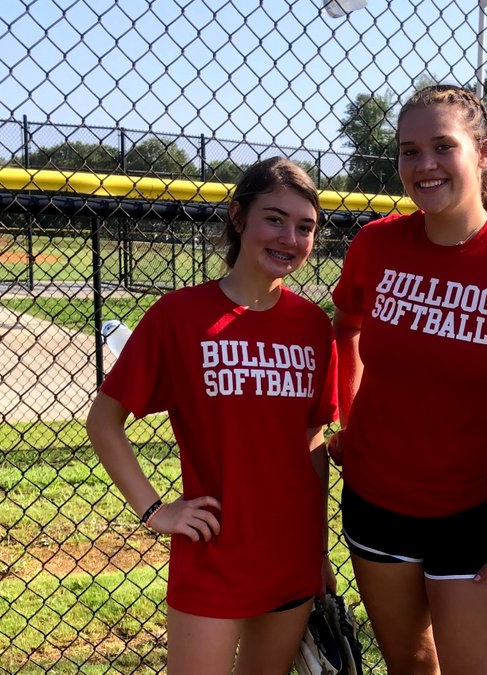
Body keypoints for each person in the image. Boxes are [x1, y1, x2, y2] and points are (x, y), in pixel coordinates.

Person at [330, 83, 487, 674]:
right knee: (410, 666)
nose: (424, 164)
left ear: (484, 153)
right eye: (409, 151)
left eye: (443, 146)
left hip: (478, 510)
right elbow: (347, 327)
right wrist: (348, 418)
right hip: (377, 501)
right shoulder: (376, 243)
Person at [86, 157, 338, 675]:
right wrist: (155, 511)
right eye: (274, 219)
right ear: (238, 217)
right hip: (213, 550)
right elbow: (103, 421)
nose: (290, 238)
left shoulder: (313, 325)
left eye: (305, 227)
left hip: (290, 552)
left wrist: (319, 553)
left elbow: (311, 438)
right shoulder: (179, 316)